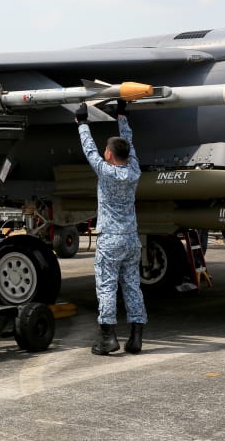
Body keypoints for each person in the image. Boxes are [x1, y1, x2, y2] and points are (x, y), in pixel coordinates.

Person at [75, 100, 147, 355]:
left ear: (109, 155)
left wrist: (82, 122)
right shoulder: (134, 170)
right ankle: (136, 337)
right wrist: (122, 116)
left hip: (110, 240)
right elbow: (130, 144)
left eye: (106, 149)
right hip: (131, 239)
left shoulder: (105, 172)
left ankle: (108, 338)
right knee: (132, 285)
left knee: (106, 285)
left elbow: (89, 150)